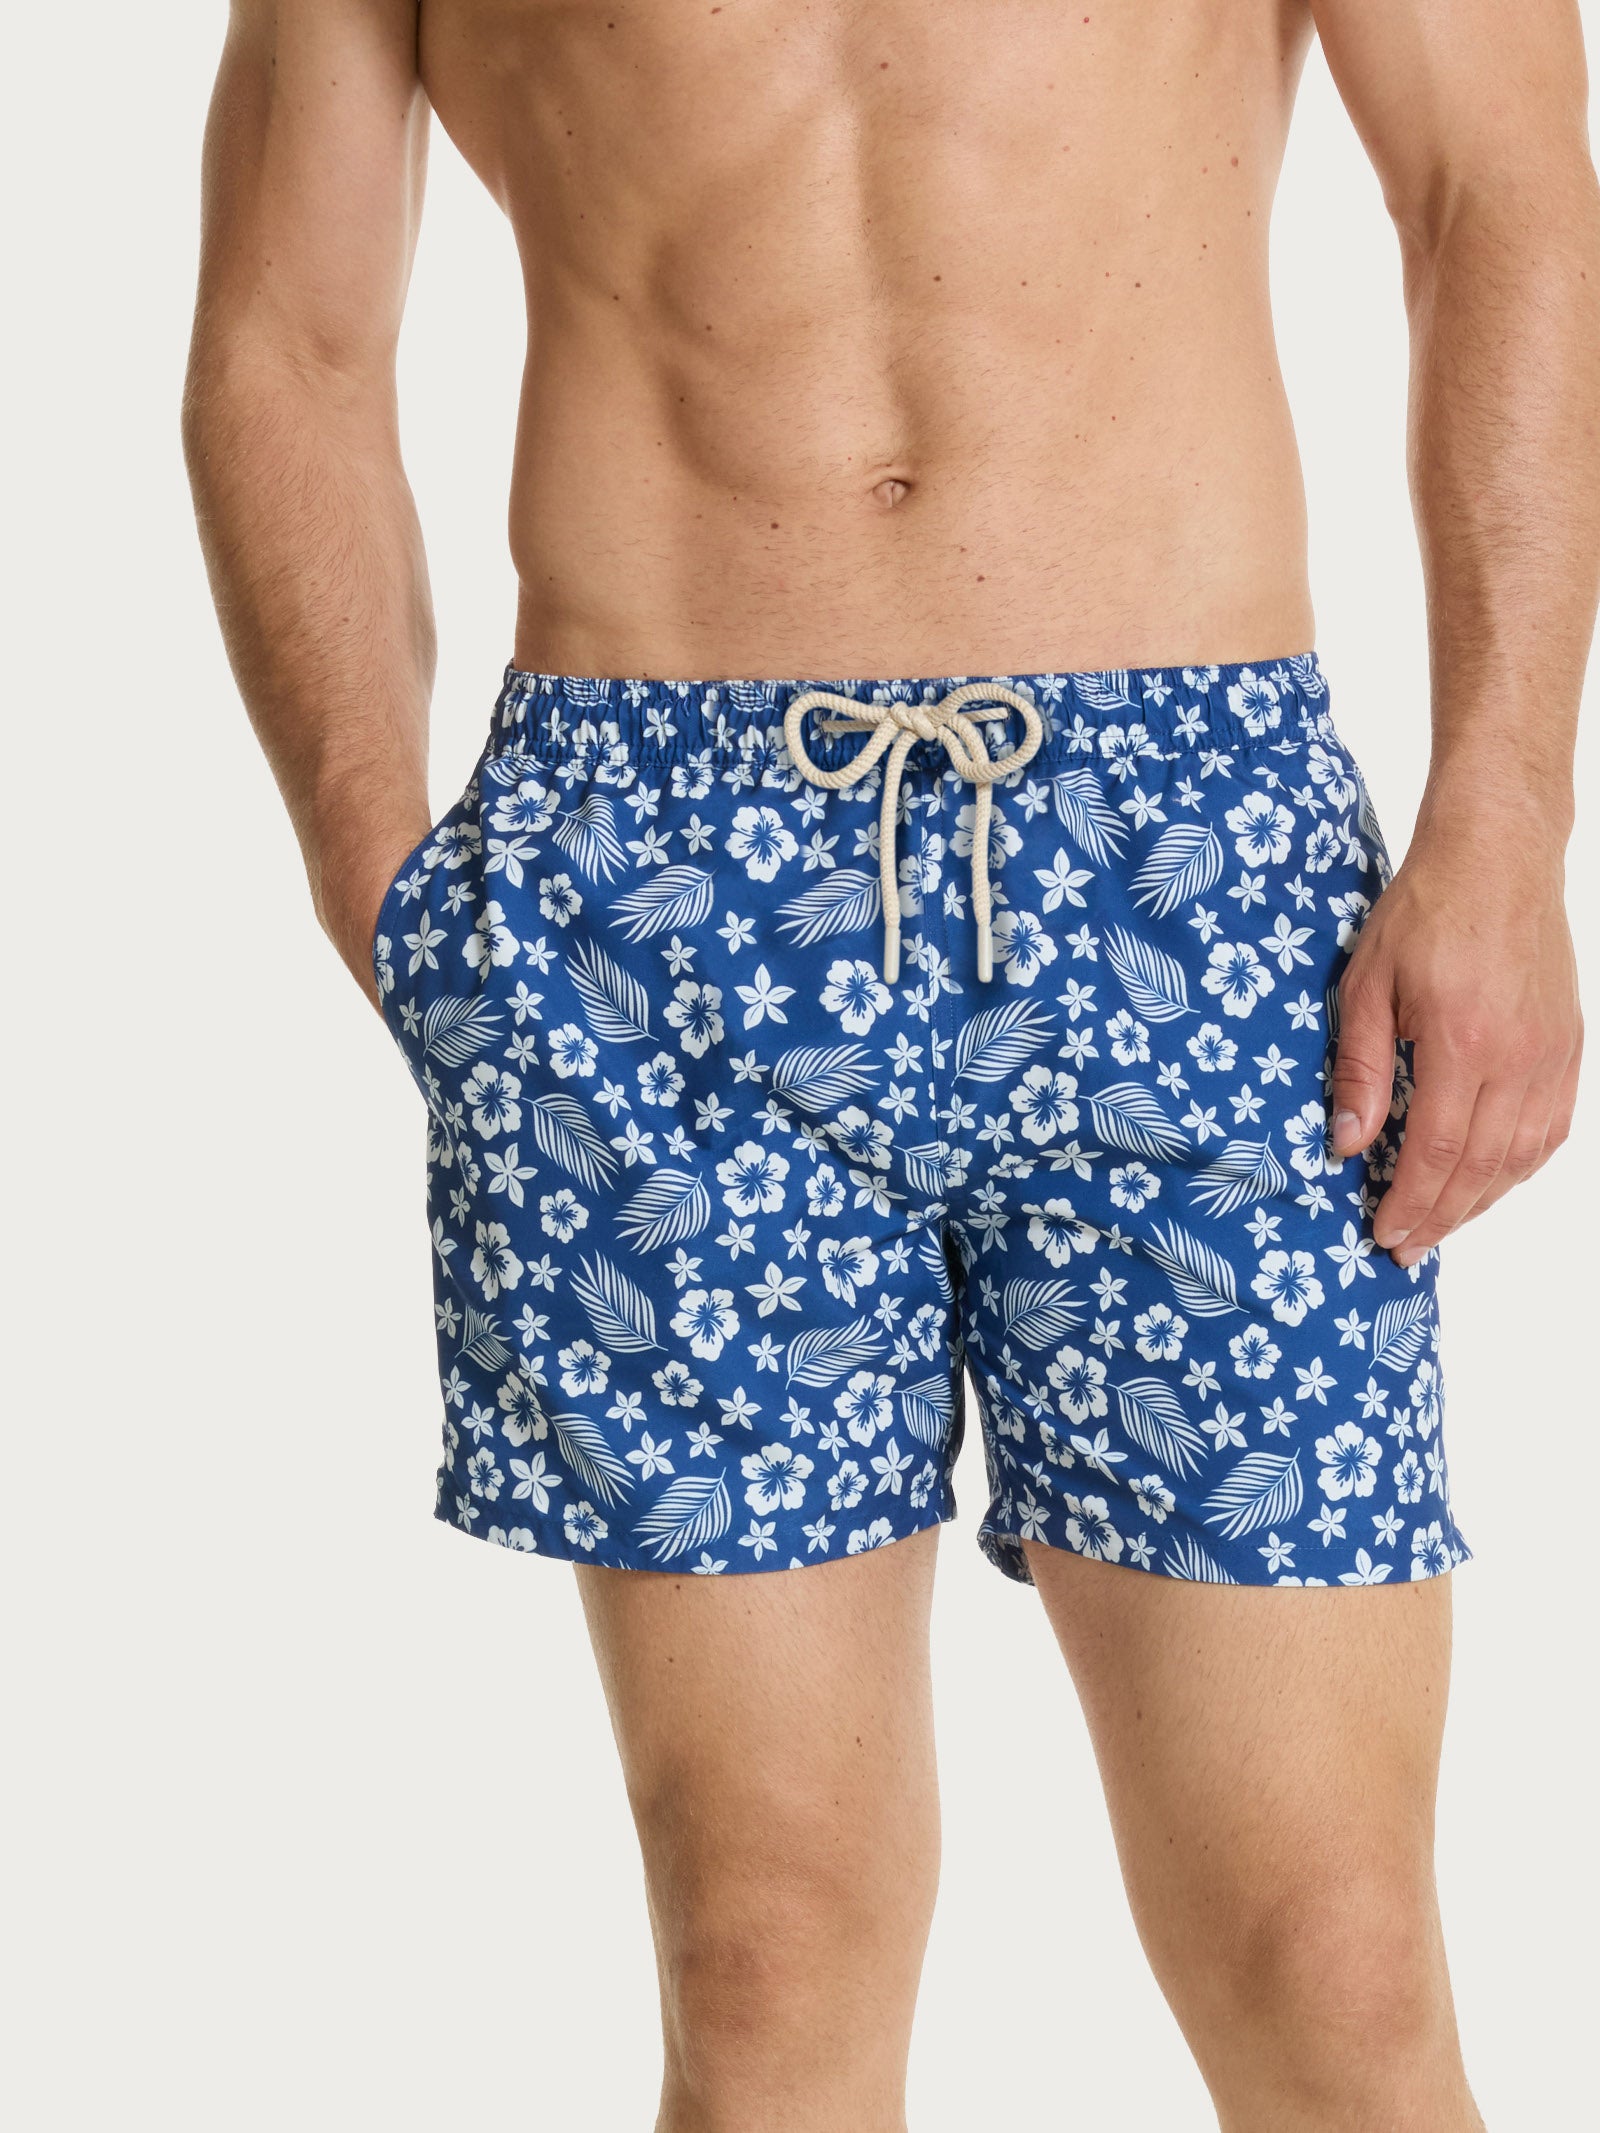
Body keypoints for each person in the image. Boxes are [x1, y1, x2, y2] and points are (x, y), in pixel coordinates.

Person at [183, 2, 1594, 2124]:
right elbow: (286, 338)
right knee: (762, 1955)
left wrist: (1503, 814)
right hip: (649, 879)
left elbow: (1496, 186)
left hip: (1186, 872)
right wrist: (385, 881)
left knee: (1329, 1948)